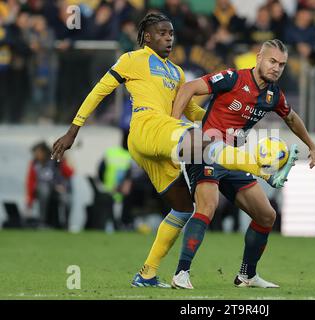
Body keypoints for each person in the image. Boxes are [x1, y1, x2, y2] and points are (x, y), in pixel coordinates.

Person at [51, 13, 293, 288]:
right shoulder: (133, 59)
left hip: (161, 140)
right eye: (163, 33)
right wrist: (74, 129)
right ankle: (262, 169)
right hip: (147, 127)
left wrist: (226, 126)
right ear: (147, 36)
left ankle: (146, 274)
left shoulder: (176, 72)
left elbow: (192, 111)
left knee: (182, 207)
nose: (169, 38)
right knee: (203, 143)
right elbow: (99, 90)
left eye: (172, 34)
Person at [170, 39, 315, 289]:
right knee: (208, 205)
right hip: (204, 150)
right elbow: (189, 87)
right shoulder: (232, 78)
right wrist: (173, 125)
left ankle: (246, 276)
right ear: (259, 58)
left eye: (282, 64)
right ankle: (181, 273)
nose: (276, 68)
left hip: (233, 159)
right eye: (272, 61)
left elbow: (292, 118)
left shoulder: (273, 95)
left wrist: (312, 146)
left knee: (266, 215)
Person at [26, 141, 74, 229]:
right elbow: (30, 182)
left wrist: (66, 159)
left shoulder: (55, 160)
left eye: (38, 153)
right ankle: (42, 222)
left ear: (44, 152)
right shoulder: (34, 164)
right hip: (42, 191)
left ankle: (66, 225)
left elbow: (70, 173)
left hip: (57, 190)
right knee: (44, 188)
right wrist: (29, 201)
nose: (36, 155)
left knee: (66, 198)